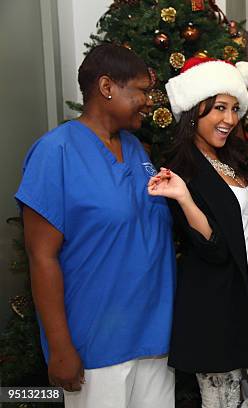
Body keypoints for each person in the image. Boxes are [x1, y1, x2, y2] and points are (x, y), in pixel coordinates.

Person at [16, 44, 175, 407]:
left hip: (153, 338)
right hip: (97, 348)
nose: (148, 102)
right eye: (141, 91)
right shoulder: (54, 153)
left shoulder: (137, 150)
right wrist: (60, 348)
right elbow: (41, 257)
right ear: (107, 87)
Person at [148, 56, 248, 408]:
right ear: (195, 110)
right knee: (221, 403)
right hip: (214, 307)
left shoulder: (237, 160)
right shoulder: (181, 169)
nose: (229, 119)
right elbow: (212, 249)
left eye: (233, 109)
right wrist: (183, 196)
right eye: (218, 108)